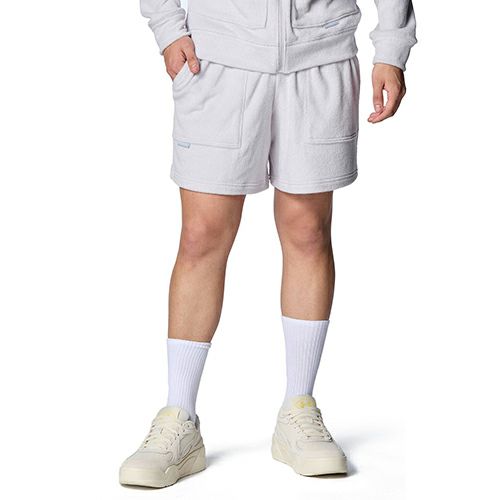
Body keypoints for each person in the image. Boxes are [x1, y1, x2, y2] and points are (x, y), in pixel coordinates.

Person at [119, 0, 417, 488]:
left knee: (308, 231)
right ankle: (179, 417)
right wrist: (169, 28)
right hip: (218, 59)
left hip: (320, 54)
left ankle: (298, 409)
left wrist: (392, 47)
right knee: (202, 236)